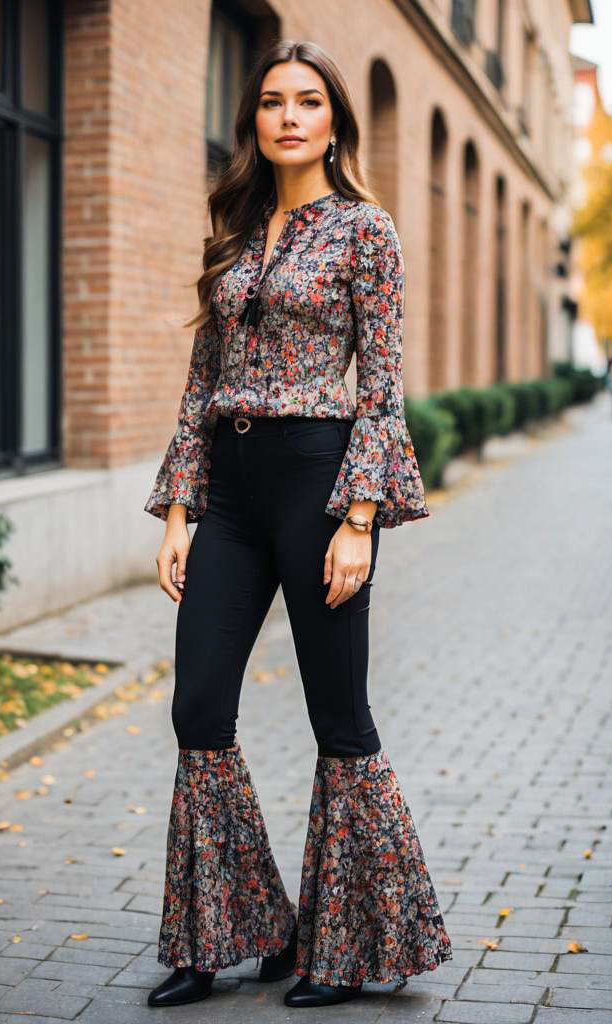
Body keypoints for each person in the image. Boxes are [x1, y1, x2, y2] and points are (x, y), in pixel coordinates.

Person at [142, 38, 453, 1009]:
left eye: (307, 101)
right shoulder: (232, 232)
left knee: (339, 719)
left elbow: (383, 384)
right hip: (229, 491)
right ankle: (233, 932)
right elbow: (201, 382)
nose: (287, 115)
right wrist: (181, 509)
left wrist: (360, 515)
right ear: (253, 123)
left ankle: (353, 948)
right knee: (198, 708)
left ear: (333, 123)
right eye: (271, 101)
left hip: (318, 482)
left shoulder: (366, 231)